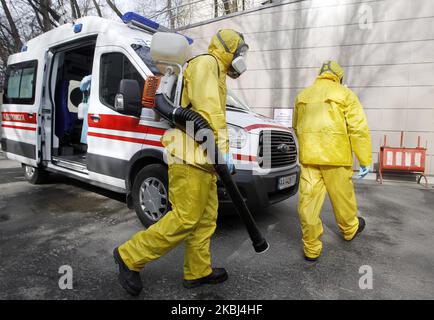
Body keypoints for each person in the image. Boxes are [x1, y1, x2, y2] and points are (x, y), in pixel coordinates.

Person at [113, 29, 249, 296]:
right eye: (239, 52)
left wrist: (217, 160)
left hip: (203, 160)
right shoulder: (207, 64)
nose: (241, 59)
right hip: (190, 157)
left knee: (206, 219)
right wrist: (222, 154)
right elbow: (208, 114)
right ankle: (129, 256)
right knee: (185, 218)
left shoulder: (217, 72)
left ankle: (197, 271)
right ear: (228, 50)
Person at [292, 60, 372, 262]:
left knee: (308, 204)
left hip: (310, 158)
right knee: (342, 198)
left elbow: (296, 126)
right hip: (336, 157)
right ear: (339, 76)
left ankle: (311, 248)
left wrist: (308, 145)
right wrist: (364, 160)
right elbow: (358, 129)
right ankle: (350, 228)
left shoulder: (303, 95)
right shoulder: (345, 94)